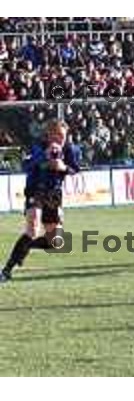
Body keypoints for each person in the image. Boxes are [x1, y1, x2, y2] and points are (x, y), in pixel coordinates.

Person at [0, 120, 81, 283]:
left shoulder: (70, 149)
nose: (60, 139)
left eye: (63, 136)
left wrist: (63, 168)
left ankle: (26, 247)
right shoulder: (38, 146)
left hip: (54, 195)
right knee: (33, 228)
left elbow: (75, 169)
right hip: (36, 190)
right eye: (56, 135)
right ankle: (7, 270)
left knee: (56, 242)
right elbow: (26, 164)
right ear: (49, 135)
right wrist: (44, 157)